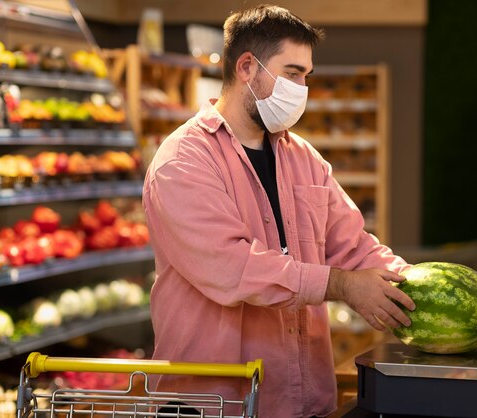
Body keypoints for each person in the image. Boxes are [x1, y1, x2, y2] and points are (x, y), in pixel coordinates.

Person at [142, 4, 415, 417]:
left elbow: (353, 246)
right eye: (292, 73)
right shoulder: (183, 161)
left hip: (303, 402)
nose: (302, 87)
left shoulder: (302, 157)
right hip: (215, 405)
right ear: (247, 67)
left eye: (307, 75)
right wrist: (343, 286)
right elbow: (234, 269)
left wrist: (414, 287)